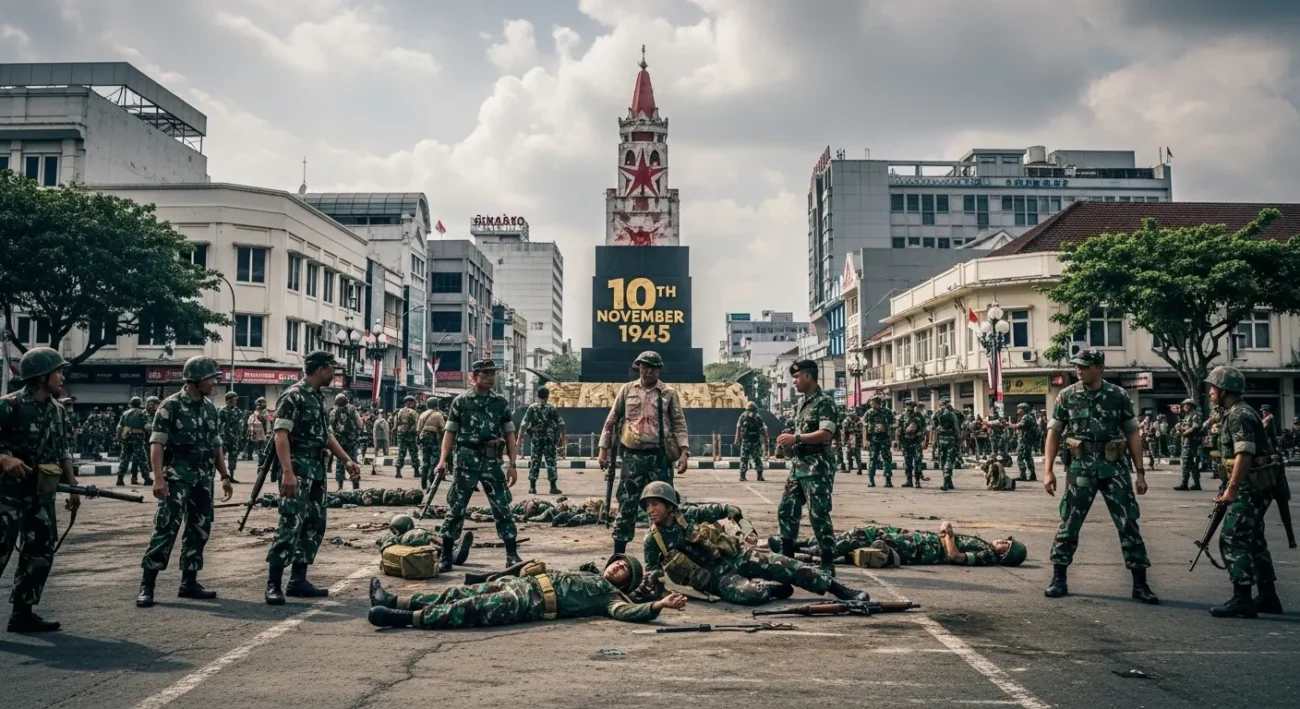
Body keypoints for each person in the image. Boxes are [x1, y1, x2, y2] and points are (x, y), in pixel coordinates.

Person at [1042, 349, 1158, 605]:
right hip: (1080, 468)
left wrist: (1140, 473)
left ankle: (1140, 584)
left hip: (1114, 469)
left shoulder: (1118, 396)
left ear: (1100, 367)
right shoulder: (1067, 395)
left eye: (1085, 366)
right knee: (1070, 523)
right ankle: (1059, 578)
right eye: (1077, 366)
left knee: (1128, 523)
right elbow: (1054, 433)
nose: (1079, 370)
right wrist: (1048, 470)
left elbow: (1132, 433)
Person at [641, 481, 870, 605]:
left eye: (655, 504)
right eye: (647, 505)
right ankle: (770, 588)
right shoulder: (653, 541)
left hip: (737, 555)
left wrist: (742, 523)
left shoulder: (688, 514)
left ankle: (838, 589)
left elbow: (726, 510)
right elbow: (653, 574)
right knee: (753, 595)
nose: (650, 510)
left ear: (669, 505)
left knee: (790, 566)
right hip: (717, 579)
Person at [136, 356, 235, 607]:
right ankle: (147, 586)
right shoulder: (171, 406)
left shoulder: (210, 408)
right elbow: (157, 443)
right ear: (196, 379)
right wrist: (158, 478)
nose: (214, 383)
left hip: (203, 478)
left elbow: (216, 445)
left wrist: (224, 476)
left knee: (199, 529)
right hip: (177, 477)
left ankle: (189, 583)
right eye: (211, 378)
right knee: (166, 528)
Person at [264, 351, 362, 605]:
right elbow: (280, 435)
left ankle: (298, 580)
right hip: (297, 469)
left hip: (316, 469)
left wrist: (346, 460)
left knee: (314, 523)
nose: (334, 373)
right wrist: (287, 472)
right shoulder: (293, 395)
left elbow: (326, 435)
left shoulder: (317, 397)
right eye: (331, 368)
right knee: (290, 522)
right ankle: (273, 584)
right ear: (320, 369)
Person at [366, 553, 687, 629]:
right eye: (617, 562)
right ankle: (394, 600)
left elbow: (627, 612)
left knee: (469, 609)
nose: (616, 567)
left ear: (625, 583)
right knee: (457, 594)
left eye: (623, 570)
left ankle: (403, 618)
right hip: (521, 584)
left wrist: (658, 605)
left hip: (529, 602)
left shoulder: (611, 597)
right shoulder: (587, 572)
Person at [0, 347, 81, 632]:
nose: (62, 377)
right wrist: (4, 459)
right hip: (7, 495)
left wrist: (73, 487)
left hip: (41, 495)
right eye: (58, 372)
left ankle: (22, 614)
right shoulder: (9, 405)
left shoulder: (57, 410)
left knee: (40, 552)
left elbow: (63, 451)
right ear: (41, 377)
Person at [1204, 366, 1283, 618]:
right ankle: (1268, 597)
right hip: (1254, 485)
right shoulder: (1235, 412)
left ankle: (1243, 598)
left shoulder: (1239, 414)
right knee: (1253, 539)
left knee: (1233, 537)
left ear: (1224, 389)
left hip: (1249, 486)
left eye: (1213, 387)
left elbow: (1244, 455)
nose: (1210, 391)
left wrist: (1232, 490)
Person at [597, 351, 690, 556]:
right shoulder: (627, 390)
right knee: (627, 505)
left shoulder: (668, 393)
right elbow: (612, 420)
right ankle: (618, 556)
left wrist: (684, 452)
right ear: (638, 367)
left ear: (659, 370)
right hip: (633, 458)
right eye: (644, 367)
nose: (648, 371)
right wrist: (603, 450)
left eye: (653, 368)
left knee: (664, 507)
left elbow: (679, 423)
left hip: (660, 457)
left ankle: (665, 556)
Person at [433, 359, 520, 572]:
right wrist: (442, 460)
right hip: (466, 460)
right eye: (486, 374)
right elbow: (450, 433)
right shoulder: (461, 402)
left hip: (491, 461)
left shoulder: (500, 403)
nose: (491, 378)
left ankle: (512, 555)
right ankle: (446, 555)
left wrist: (512, 464)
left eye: (493, 374)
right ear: (474, 376)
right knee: (456, 508)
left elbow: (510, 434)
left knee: (502, 507)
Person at [773, 359, 839, 575]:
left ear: (808, 376)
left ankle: (828, 563)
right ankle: (787, 558)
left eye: (796, 377)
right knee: (786, 510)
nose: (794, 381)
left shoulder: (824, 402)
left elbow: (826, 433)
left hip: (817, 466)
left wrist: (796, 438)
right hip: (799, 465)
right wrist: (787, 443)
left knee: (818, 514)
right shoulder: (802, 403)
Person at [783, 522, 1027, 567]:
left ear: (1005, 555)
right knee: (859, 540)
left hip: (920, 548)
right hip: (920, 541)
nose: (1002, 541)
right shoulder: (986, 546)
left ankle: (808, 549)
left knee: (862, 535)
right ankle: (803, 547)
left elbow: (955, 556)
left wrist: (947, 534)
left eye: (1006, 545)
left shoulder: (986, 555)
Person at [519, 387, 566, 494]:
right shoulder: (551, 408)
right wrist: (563, 438)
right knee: (551, 462)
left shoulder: (532, 408)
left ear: (537, 395)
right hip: (549, 440)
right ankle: (553, 487)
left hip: (536, 440)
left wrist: (519, 439)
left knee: (535, 461)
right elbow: (562, 424)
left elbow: (523, 425)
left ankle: (532, 487)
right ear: (547, 396)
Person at [329, 393, 363, 491]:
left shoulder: (334, 411)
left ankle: (340, 486)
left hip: (340, 441)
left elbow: (331, 426)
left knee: (340, 463)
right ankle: (355, 487)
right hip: (352, 440)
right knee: (353, 461)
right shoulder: (352, 409)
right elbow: (360, 424)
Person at [116, 396, 153, 486]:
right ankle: (146, 478)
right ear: (139, 404)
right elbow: (147, 426)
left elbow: (119, 427)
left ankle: (120, 479)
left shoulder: (125, 413)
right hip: (137, 438)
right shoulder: (142, 413)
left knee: (124, 459)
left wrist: (118, 437)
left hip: (126, 437)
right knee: (142, 458)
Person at [931, 396, 961, 490]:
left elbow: (933, 424)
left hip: (941, 439)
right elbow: (957, 426)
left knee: (943, 459)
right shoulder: (953, 413)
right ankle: (947, 482)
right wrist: (958, 438)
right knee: (949, 459)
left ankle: (947, 482)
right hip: (950, 439)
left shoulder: (938, 413)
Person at [1174, 398, 1204, 491]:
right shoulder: (1186, 417)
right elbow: (1184, 429)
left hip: (1191, 443)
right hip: (1185, 443)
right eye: (1184, 405)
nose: (1185, 406)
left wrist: (1185, 432)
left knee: (1186, 463)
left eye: (1188, 405)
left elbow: (1195, 427)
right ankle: (1197, 484)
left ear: (1192, 406)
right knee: (1192, 464)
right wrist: (1180, 429)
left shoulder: (1194, 415)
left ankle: (1184, 483)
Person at [734, 402, 768, 482]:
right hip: (746, 441)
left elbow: (763, 430)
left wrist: (766, 441)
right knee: (744, 459)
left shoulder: (758, 418)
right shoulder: (743, 416)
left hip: (755, 442)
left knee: (757, 459)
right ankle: (742, 476)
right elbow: (738, 427)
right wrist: (737, 438)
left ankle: (760, 475)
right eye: (750, 410)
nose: (752, 413)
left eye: (753, 411)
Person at [863, 396, 893, 487]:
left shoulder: (887, 412)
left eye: (873, 404)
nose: (871, 405)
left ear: (878, 403)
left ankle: (888, 480)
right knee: (872, 459)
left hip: (885, 439)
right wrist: (865, 440)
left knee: (887, 459)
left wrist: (886, 426)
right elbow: (864, 425)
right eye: (871, 404)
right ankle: (871, 480)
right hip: (873, 439)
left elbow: (894, 423)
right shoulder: (869, 412)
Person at [416, 398, 445, 489]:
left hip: (423, 437)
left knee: (425, 459)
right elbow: (443, 427)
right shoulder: (438, 414)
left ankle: (423, 481)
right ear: (436, 404)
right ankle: (431, 480)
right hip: (433, 437)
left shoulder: (423, 414)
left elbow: (418, 429)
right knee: (435, 459)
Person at [897, 399, 927, 487]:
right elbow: (899, 429)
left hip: (916, 442)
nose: (909, 407)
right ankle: (909, 481)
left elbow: (924, 428)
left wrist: (922, 435)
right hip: (907, 442)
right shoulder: (903, 416)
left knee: (917, 461)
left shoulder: (919, 416)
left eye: (911, 406)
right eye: (907, 405)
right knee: (908, 462)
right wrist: (900, 441)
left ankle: (917, 481)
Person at [217, 391, 244, 484]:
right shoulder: (222, 410)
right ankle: (221, 475)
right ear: (228, 400)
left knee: (233, 457)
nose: (235, 402)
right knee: (219, 457)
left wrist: (240, 436)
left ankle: (231, 476)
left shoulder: (238, 411)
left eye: (236, 400)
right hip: (223, 438)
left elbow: (240, 425)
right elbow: (218, 425)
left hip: (234, 438)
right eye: (233, 400)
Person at [391, 396, 420, 479]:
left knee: (401, 453)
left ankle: (398, 471)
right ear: (411, 403)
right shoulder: (414, 413)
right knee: (414, 453)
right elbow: (417, 425)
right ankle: (416, 472)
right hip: (411, 435)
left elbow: (395, 425)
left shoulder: (399, 412)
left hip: (401, 435)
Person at [1013, 402, 1040, 482]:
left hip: (1025, 441)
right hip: (1027, 441)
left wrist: (1009, 425)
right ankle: (1032, 475)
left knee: (1020, 458)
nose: (1018, 410)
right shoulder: (1029, 416)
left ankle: (1023, 475)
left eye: (1019, 409)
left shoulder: (1026, 417)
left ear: (1024, 410)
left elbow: (1019, 426)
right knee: (1028, 458)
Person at [246, 398, 268, 467]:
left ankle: (261, 461)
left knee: (262, 448)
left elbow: (268, 422)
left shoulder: (265, 413)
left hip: (263, 434)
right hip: (257, 433)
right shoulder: (255, 414)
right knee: (257, 447)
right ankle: (255, 458)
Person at [840, 406, 862, 475]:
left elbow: (845, 431)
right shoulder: (848, 420)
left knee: (853, 454)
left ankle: (856, 469)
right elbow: (844, 431)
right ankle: (851, 468)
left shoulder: (857, 420)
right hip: (852, 438)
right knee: (850, 454)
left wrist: (844, 440)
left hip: (854, 439)